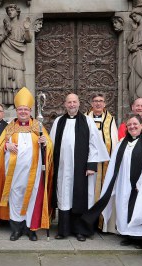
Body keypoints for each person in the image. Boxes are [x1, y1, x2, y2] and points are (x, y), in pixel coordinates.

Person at [0, 87, 54, 241]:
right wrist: (7, 146)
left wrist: (44, 143)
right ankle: (16, 229)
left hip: (33, 173)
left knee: (32, 198)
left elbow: (50, 148)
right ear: (16, 111)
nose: (23, 112)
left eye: (25, 110)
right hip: (13, 173)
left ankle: (31, 229)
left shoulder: (38, 127)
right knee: (16, 198)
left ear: (30, 110)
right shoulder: (10, 128)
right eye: (20, 110)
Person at [82, 113, 142, 249]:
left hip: (141, 183)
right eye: (129, 125)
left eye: (135, 124)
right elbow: (113, 165)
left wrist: (141, 183)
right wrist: (112, 183)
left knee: (139, 208)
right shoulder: (122, 142)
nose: (132, 127)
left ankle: (141, 238)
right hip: (124, 182)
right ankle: (128, 235)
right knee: (123, 206)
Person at [50, 94, 109, 241]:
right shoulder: (59, 121)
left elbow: (94, 145)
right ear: (65, 104)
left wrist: (91, 165)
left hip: (81, 168)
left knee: (80, 197)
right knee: (64, 196)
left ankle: (80, 231)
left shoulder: (87, 121)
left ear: (79, 103)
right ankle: (63, 230)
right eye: (69, 102)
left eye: (74, 102)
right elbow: (51, 145)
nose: (71, 105)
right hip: (63, 168)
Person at [85, 94, 119, 233]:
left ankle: (102, 223)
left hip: (105, 164)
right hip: (88, 165)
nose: (98, 104)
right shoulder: (84, 118)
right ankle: (87, 223)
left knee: (102, 191)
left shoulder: (110, 120)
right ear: (91, 103)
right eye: (95, 101)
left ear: (105, 104)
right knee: (88, 193)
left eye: (101, 101)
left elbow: (114, 140)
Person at [0, 4, 32, 104]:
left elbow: (28, 39)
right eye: (8, 10)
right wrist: (6, 33)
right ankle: (9, 104)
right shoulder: (5, 26)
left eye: (12, 9)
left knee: (18, 80)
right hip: (6, 55)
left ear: (17, 12)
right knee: (7, 80)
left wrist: (26, 29)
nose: (10, 12)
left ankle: (20, 103)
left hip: (17, 56)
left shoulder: (22, 26)